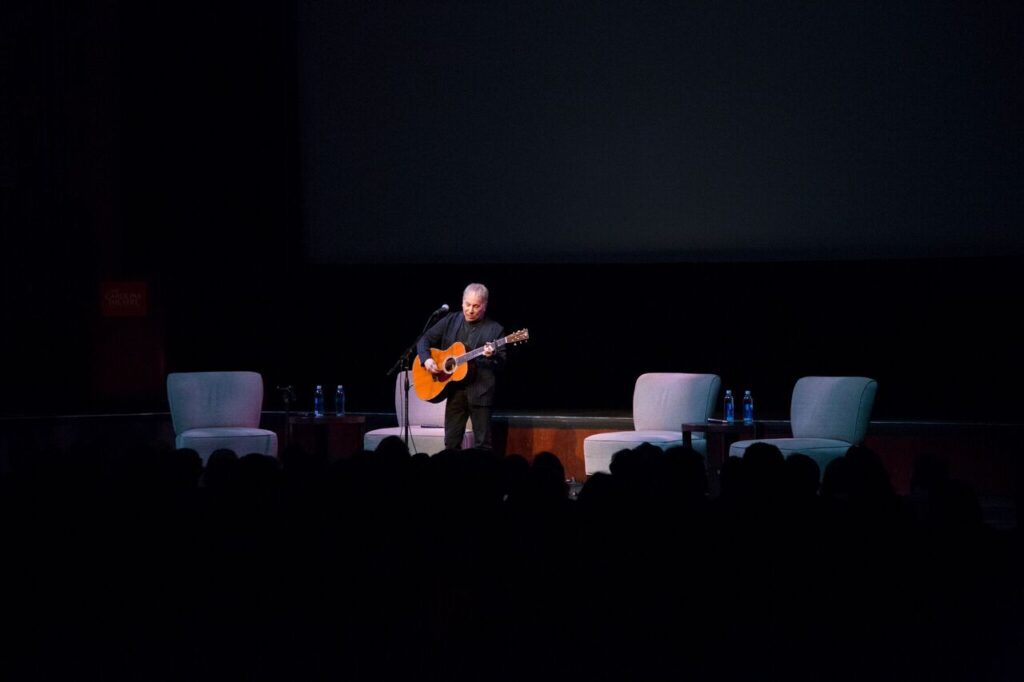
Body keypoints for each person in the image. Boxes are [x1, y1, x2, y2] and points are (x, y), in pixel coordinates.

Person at [417, 283, 506, 450]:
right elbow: (424, 340)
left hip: (481, 392)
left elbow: (501, 363)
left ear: (484, 306)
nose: (470, 310)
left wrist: (491, 355)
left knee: (482, 445)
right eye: (467, 304)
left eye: (476, 306)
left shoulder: (495, 329)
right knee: (451, 443)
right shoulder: (451, 320)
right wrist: (427, 360)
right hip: (455, 391)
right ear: (462, 302)